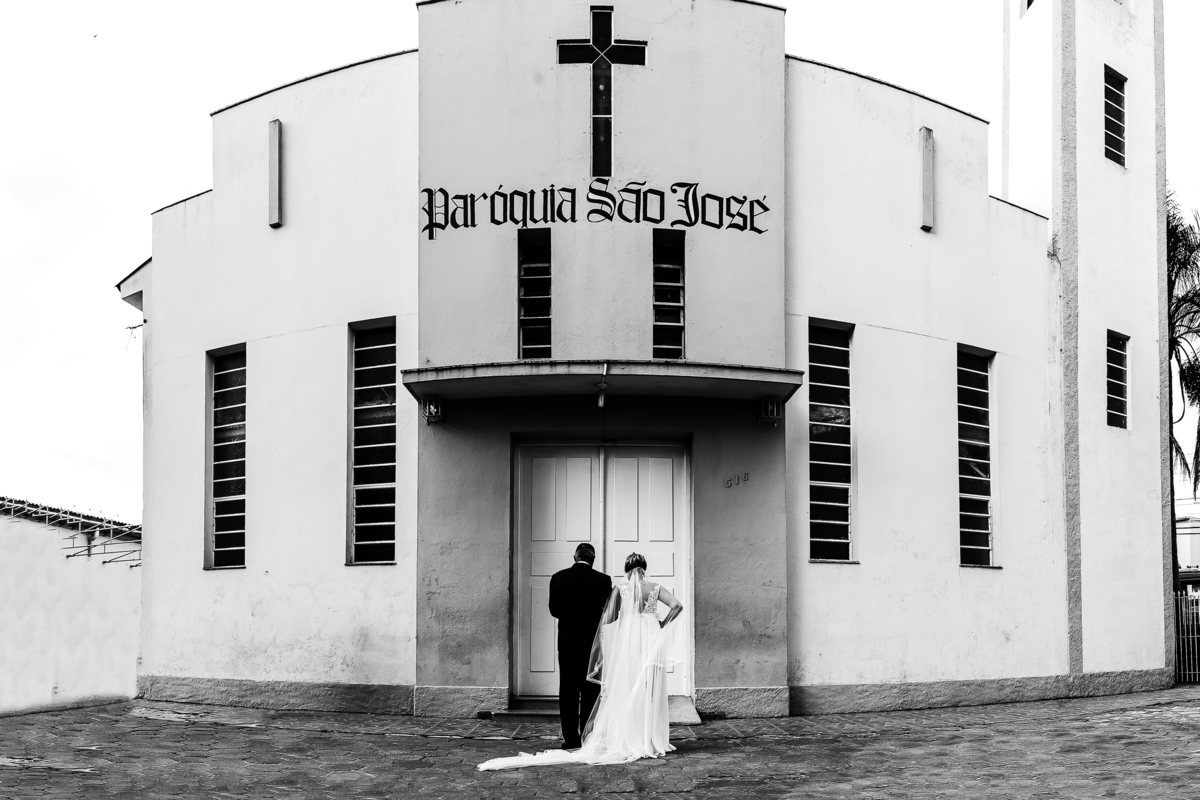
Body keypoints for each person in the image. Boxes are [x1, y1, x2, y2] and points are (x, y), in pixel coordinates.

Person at [478, 552, 684, 771]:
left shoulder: (615, 588)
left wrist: (624, 620)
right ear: (644, 568)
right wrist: (660, 624)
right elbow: (677, 606)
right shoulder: (647, 587)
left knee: (620, 687)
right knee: (647, 688)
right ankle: (648, 737)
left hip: (615, 643)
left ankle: (604, 738)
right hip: (649, 638)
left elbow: (604, 617)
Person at [548, 543, 612, 750]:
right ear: (593, 559)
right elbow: (608, 612)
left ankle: (571, 739)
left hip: (567, 642)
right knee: (590, 690)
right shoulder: (603, 580)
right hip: (592, 643)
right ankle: (587, 736)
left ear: (575, 557)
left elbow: (553, 610)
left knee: (568, 691)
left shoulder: (558, 577)